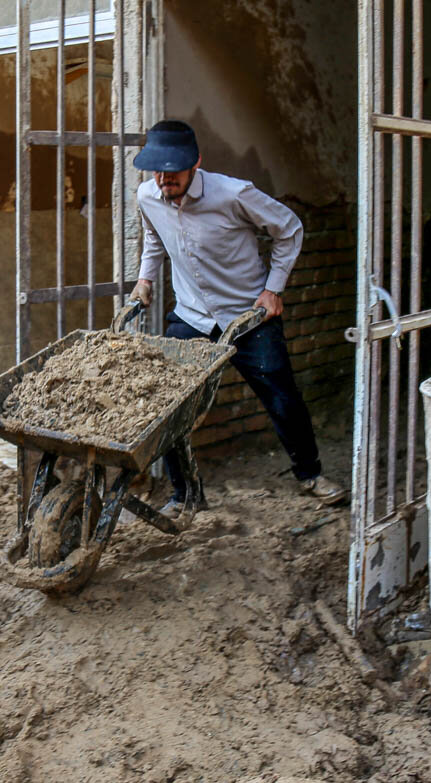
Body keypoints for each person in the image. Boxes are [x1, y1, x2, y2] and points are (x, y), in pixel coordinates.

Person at [129, 120, 347, 514]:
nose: (164, 180)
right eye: (157, 171)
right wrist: (145, 278)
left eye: (173, 171)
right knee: (167, 404)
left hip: (248, 316)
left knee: (282, 398)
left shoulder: (233, 194)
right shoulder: (148, 195)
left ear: (196, 162)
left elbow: (289, 229)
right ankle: (185, 494)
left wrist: (273, 289)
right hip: (192, 315)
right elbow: (153, 237)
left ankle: (309, 474)